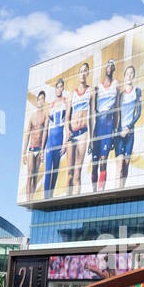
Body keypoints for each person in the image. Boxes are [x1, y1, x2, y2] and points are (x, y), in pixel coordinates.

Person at [91, 59, 118, 192]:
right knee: (94, 164)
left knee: (103, 161)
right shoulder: (98, 88)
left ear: (114, 69)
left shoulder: (116, 86)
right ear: (105, 69)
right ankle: (94, 191)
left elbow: (117, 111)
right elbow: (92, 114)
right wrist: (92, 136)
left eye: (112, 66)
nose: (109, 68)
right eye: (107, 66)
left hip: (108, 125)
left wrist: (114, 131)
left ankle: (101, 191)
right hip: (98, 126)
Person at [66, 62, 92, 195]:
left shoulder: (90, 91)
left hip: (83, 132)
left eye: (85, 71)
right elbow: (67, 118)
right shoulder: (72, 94)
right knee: (69, 173)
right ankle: (64, 201)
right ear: (78, 75)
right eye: (80, 71)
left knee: (77, 173)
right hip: (72, 134)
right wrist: (67, 134)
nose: (82, 73)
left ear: (88, 73)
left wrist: (92, 139)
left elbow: (92, 115)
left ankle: (75, 200)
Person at [115, 63, 142, 185]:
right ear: (124, 77)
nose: (129, 75)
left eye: (132, 73)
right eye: (127, 74)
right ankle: (115, 192)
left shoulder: (136, 91)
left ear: (133, 76)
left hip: (130, 132)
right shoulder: (120, 96)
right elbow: (116, 116)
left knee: (126, 165)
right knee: (119, 165)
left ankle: (122, 191)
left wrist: (128, 127)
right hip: (119, 133)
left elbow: (138, 113)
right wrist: (118, 130)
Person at [44, 78, 68, 199]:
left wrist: (65, 144)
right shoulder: (50, 106)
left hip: (59, 140)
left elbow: (67, 124)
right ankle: (45, 198)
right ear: (55, 89)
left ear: (63, 88)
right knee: (48, 170)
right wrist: (43, 148)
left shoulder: (66, 102)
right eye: (57, 87)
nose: (59, 89)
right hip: (50, 141)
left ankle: (51, 196)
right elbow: (45, 129)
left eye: (60, 86)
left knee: (55, 170)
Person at [22, 90, 48, 199]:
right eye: (39, 99)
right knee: (29, 176)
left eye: (43, 99)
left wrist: (42, 150)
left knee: (35, 176)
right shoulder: (32, 116)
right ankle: (28, 199)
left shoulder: (45, 115)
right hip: (31, 149)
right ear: (37, 101)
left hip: (39, 148)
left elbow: (45, 131)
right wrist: (24, 153)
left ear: (44, 101)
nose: (41, 101)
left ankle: (31, 198)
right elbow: (27, 134)